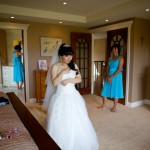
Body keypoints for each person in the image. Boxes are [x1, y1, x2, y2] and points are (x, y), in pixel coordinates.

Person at [43, 43, 99, 150]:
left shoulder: (74, 65)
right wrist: (63, 72)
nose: (69, 58)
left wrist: (69, 80)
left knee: (77, 119)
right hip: (61, 96)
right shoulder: (55, 67)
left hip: (73, 95)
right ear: (60, 56)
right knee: (60, 121)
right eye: (66, 55)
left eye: (71, 55)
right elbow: (54, 82)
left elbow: (79, 79)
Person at [97, 44, 124, 112]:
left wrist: (111, 77)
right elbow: (107, 68)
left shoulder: (121, 58)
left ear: (118, 50)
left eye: (115, 48)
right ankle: (104, 105)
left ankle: (114, 107)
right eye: (113, 49)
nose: (114, 50)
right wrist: (108, 76)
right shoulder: (110, 58)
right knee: (104, 90)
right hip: (109, 75)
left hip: (116, 76)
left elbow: (119, 69)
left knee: (116, 91)